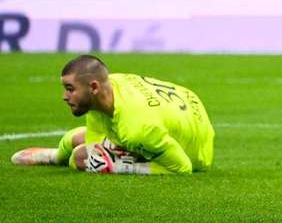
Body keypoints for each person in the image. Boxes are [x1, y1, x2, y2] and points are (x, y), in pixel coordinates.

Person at [11, 55, 215, 174]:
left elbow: (182, 168)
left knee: (79, 158)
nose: (65, 96)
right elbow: (94, 139)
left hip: (195, 150)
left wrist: (124, 166)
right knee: (77, 141)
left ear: (93, 87)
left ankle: (59, 157)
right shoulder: (110, 85)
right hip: (184, 106)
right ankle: (55, 156)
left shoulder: (138, 128)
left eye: (70, 88)